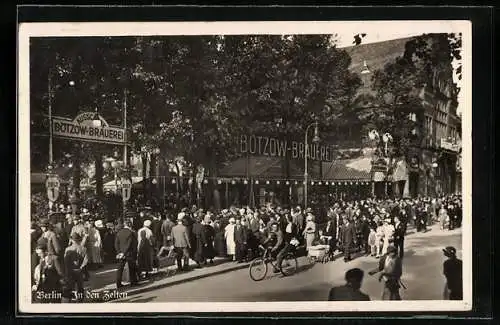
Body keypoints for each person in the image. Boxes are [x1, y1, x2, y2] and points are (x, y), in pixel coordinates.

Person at [63, 232, 88, 302]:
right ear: (79, 240)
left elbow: (66, 262)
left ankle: (70, 300)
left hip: (70, 271)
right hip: (79, 271)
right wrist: (81, 268)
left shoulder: (68, 249)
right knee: (80, 287)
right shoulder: (83, 249)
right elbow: (86, 260)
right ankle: (80, 300)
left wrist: (67, 272)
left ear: (72, 240)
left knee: (70, 286)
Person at [114, 220, 139, 289]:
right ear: (129, 225)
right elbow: (130, 244)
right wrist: (124, 252)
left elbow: (116, 244)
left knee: (120, 269)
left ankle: (118, 283)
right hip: (129, 253)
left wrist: (119, 252)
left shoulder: (119, 233)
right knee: (131, 268)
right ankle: (133, 282)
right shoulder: (130, 233)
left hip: (121, 253)